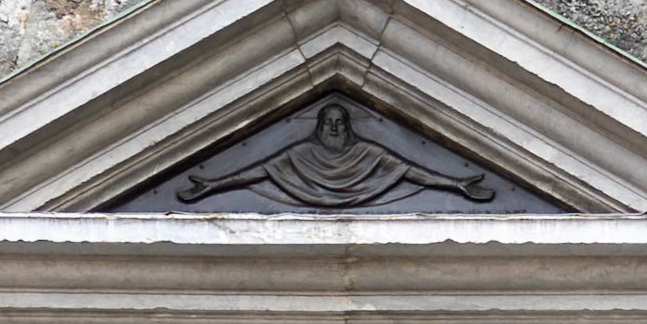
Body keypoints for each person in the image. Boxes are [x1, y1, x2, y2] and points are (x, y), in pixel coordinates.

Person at [177, 100, 495, 209]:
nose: (333, 128)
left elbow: (412, 172)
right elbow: (259, 171)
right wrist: (213, 185)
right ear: (318, 126)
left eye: (339, 122)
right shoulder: (301, 153)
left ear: (348, 126)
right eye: (327, 122)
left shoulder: (368, 152)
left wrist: (457, 184)